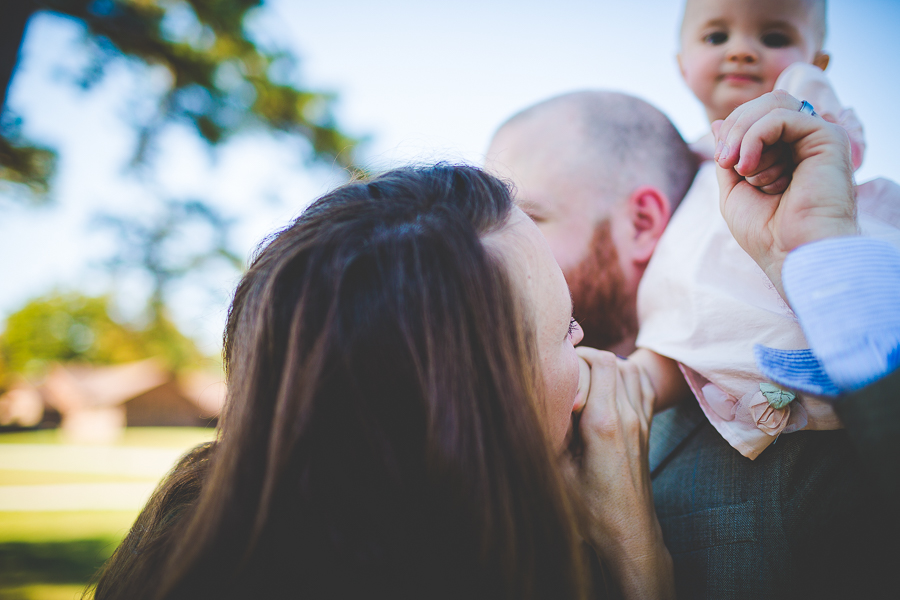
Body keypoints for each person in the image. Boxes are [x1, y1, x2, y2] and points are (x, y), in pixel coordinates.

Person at [90, 164, 674, 600]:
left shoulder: (201, 515)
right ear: (473, 416)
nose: (588, 348)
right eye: (565, 330)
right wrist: (637, 559)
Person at [486, 90, 896, 599]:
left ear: (642, 222)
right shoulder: (488, 418)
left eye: (530, 219)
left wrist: (820, 252)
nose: (502, 258)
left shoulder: (802, 425)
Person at [635, 0, 900, 460]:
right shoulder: (687, 159)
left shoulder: (798, 94)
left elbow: (840, 142)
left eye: (773, 37)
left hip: (807, 264)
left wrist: (798, 125)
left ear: (816, 61)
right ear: (681, 64)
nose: (741, 51)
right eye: (716, 37)